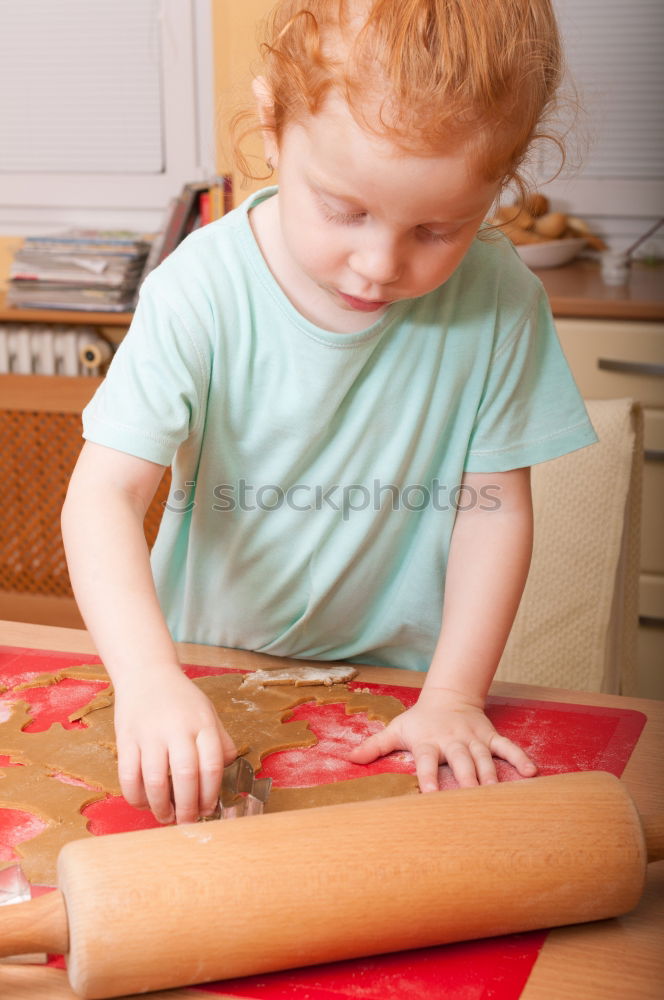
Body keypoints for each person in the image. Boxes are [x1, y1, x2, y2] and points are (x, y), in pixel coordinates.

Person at [62, 0, 596, 826]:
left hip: (396, 694)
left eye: (438, 228)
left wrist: (455, 694)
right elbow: (102, 497)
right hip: (200, 674)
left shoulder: (502, 300)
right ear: (273, 125)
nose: (380, 263)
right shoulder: (198, 290)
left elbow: (491, 512)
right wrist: (147, 679)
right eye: (344, 210)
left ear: (504, 180)